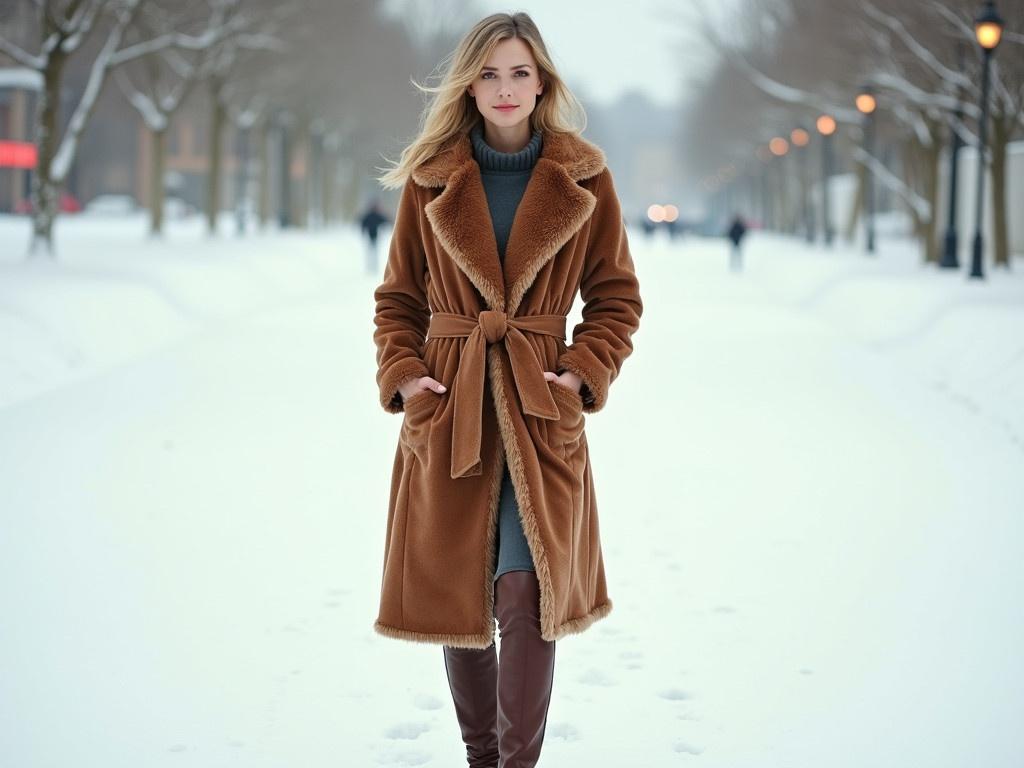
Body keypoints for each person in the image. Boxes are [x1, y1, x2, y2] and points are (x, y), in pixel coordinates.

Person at [371, 12, 643, 768]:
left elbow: (616, 298)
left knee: (525, 591)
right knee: (461, 596)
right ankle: (481, 756)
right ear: (468, 81)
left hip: (537, 404)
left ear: (543, 80)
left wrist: (581, 373)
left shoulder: (584, 177)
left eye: (519, 72)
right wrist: (407, 379)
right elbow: (397, 300)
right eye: (488, 72)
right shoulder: (432, 175)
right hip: (451, 401)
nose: (504, 87)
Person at [359, 199, 391, 275]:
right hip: (371, 236)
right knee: (372, 252)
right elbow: (362, 223)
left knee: (372, 252)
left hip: (373, 236)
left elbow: (385, 220)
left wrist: (363, 231)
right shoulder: (373, 215)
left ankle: (372, 267)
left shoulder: (373, 215)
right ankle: (371, 267)